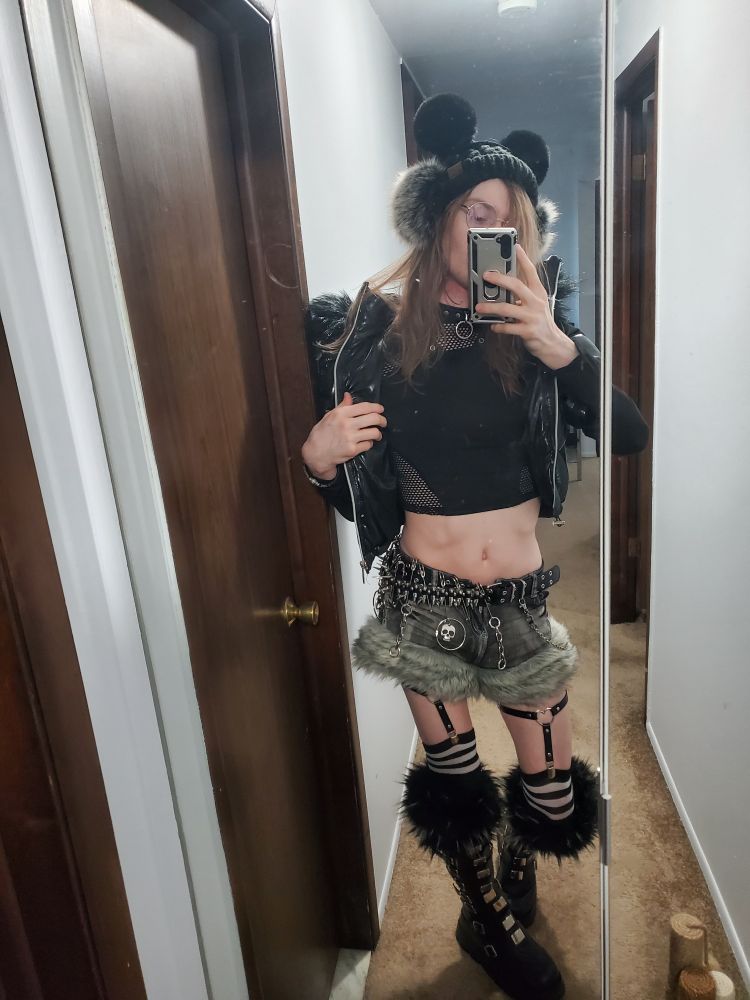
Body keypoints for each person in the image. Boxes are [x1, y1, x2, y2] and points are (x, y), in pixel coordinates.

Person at [301, 93, 648, 1000]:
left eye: (508, 222)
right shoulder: (376, 332)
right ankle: (482, 915)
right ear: (437, 219)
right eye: (474, 213)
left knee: (552, 790)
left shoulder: (538, 328)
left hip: (523, 597)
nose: (491, 233)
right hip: (424, 597)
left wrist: (562, 349)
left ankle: (516, 857)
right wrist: (317, 459)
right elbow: (359, 492)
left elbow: (631, 434)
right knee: (455, 790)